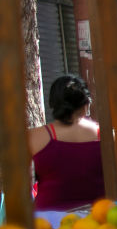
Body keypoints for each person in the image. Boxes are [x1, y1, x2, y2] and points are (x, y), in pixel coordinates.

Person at [28, 75, 105, 212]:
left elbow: (24, 183)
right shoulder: (106, 135)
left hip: (48, 221)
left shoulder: (34, 137)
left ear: (53, 103)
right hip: (97, 220)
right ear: (86, 104)